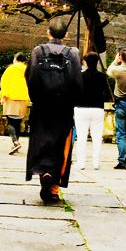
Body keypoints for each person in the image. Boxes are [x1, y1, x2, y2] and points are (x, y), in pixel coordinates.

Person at [25, 22, 83, 204]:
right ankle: (54, 186)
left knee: (41, 141)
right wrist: (72, 102)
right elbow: (77, 81)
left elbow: (31, 77)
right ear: (66, 34)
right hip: (63, 108)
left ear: (48, 32)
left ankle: (44, 172)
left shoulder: (38, 51)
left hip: (42, 106)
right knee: (61, 144)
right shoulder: (73, 54)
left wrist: (36, 99)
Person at [73, 51, 110, 171]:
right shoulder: (102, 76)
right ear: (97, 62)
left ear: (85, 62)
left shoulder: (79, 76)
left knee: (81, 137)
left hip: (81, 108)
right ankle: (96, 163)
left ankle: (81, 163)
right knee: (97, 137)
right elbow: (106, 93)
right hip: (97, 108)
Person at [0, 52, 30, 154]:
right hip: (23, 99)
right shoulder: (27, 69)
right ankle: (16, 144)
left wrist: (3, 96)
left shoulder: (11, 69)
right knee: (18, 122)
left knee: (10, 122)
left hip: (11, 98)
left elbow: (4, 82)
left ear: (16, 59)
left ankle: (15, 142)